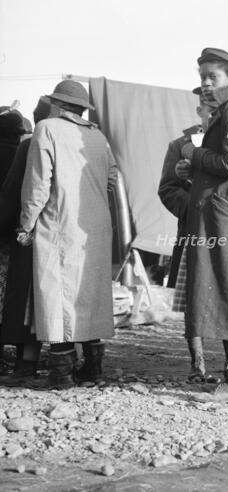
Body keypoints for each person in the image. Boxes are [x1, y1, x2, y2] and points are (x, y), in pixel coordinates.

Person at [20, 81, 118, 389]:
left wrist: (26, 224)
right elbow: (113, 179)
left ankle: (61, 374)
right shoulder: (98, 135)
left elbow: (38, 185)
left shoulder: (46, 128)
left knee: (56, 295)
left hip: (59, 221)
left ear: (57, 105)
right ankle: (93, 368)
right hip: (96, 226)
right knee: (90, 294)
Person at [179, 48, 228, 403]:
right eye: (202, 78)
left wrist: (193, 155)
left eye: (214, 77)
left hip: (225, 220)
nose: (207, 84)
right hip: (221, 216)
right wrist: (194, 169)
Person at [158, 87, 212, 382]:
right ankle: (198, 365)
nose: (210, 112)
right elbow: (166, 188)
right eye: (206, 106)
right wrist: (193, 209)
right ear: (199, 109)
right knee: (192, 295)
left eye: (216, 108)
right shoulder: (180, 144)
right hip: (193, 231)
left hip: (226, 230)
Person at [0, 98, 51, 386]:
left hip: (17, 233)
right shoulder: (83, 143)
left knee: (16, 297)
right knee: (31, 300)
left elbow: (11, 196)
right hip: (53, 233)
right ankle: (28, 361)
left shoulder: (27, 147)